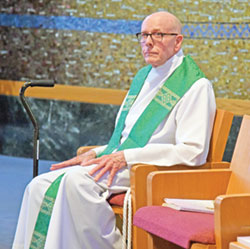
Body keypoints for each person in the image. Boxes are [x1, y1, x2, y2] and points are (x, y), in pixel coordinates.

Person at [12, 11, 216, 249]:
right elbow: (129, 137)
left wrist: (126, 157)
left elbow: (193, 151)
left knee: (76, 184)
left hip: (152, 169)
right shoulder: (145, 76)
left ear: (178, 41)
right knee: (38, 186)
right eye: (144, 35)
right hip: (127, 161)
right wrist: (99, 153)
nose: (148, 42)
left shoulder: (195, 86)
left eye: (158, 35)